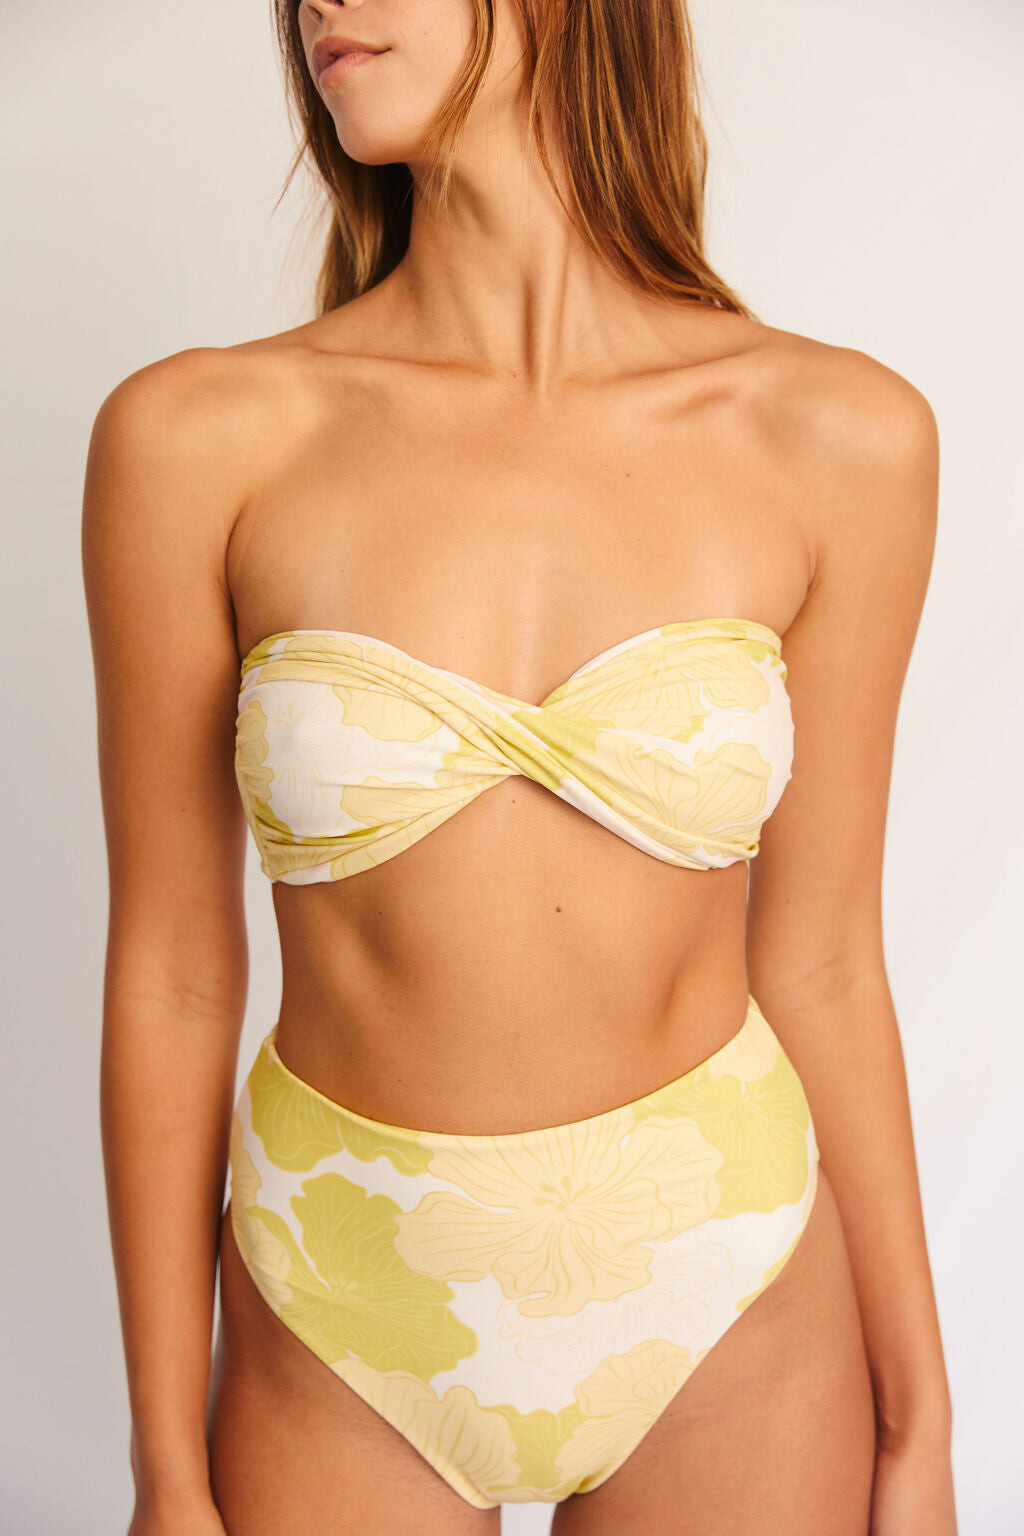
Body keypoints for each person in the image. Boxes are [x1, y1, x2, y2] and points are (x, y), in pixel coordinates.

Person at [82, 1, 957, 1532]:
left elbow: (824, 963)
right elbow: (172, 975)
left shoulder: (839, 437)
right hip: (343, 1279)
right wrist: (165, 1465)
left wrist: (922, 1421)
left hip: (731, 1270)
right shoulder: (199, 437)